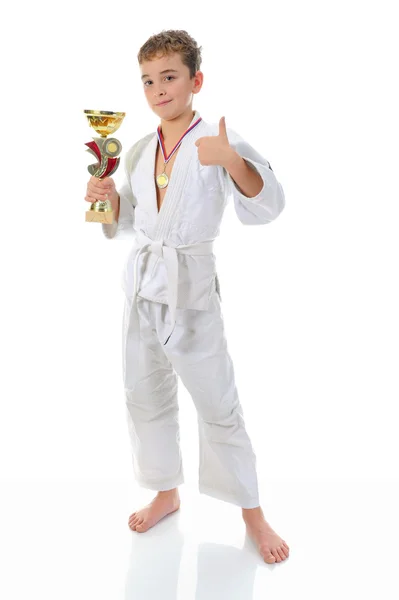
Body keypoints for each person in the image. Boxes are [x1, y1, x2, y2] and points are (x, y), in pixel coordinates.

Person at [85, 29, 289, 564]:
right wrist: (103, 200)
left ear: (196, 81)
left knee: (219, 403)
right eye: (149, 80)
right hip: (142, 289)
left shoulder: (217, 139)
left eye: (170, 77)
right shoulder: (137, 149)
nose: (158, 89)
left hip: (191, 290)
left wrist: (231, 161)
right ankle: (165, 490)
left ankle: (252, 511)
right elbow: (130, 219)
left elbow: (268, 205)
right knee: (143, 393)